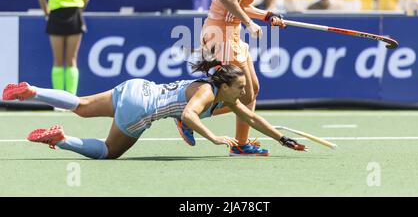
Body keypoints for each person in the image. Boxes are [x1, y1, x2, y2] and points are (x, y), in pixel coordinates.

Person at [1, 53, 308, 159]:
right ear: (225, 86)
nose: (244, 92)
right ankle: (63, 139)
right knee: (109, 151)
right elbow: (189, 113)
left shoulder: (223, 95)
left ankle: (33, 90)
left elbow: (252, 117)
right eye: (240, 87)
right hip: (140, 109)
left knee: (80, 104)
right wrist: (214, 138)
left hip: (138, 85)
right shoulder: (207, 94)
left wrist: (282, 139)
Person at [175, 0, 286, 156]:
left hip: (227, 32)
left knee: (252, 90)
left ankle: (240, 143)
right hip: (221, 35)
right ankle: (189, 116)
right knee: (241, 94)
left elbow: (240, 4)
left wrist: (266, 16)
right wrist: (250, 24)